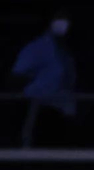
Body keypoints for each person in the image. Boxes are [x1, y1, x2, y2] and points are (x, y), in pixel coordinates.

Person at [13, 9, 77, 142]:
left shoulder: (65, 53)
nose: (63, 23)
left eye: (66, 19)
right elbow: (17, 76)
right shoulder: (37, 47)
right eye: (59, 18)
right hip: (41, 108)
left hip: (64, 110)